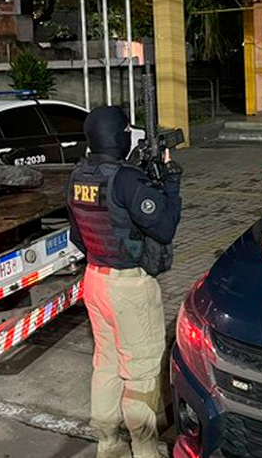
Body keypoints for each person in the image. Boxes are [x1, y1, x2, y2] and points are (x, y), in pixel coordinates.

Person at [66, 106, 183, 458]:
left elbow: (77, 237)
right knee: (141, 370)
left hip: (94, 280)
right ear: (119, 137)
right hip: (128, 287)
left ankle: (108, 443)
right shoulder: (126, 180)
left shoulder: (78, 175)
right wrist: (171, 183)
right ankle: (144, 449)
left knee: (106, 363)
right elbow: (164, 227)